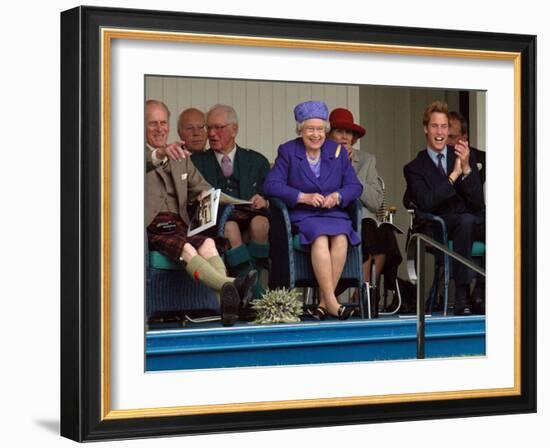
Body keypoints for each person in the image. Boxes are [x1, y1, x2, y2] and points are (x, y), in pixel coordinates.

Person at [263, 100, 363, 320]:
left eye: (320, 129)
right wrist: (303, 197)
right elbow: (271, 185)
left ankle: (324, 303)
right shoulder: (288, 151)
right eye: (310, 129)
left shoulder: (336, 151)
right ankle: (333, 303)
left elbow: (355, 186)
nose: (316, 135)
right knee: (319, 238)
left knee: (341, 238)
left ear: (326, 130)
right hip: (305, 215)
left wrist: (338, 196)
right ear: (300, 130)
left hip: (333, 213)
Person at [403, 101, 485, 315]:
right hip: (439, 226)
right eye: (434, 126)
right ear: (425, 129)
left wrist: (466, 168)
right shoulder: (414, 168)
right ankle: (462, 295)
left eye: (444, 127)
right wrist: (453, 176)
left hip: (471, 222)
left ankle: (484, 292)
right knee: (465, 222)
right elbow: (427, 202)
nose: (440, 132)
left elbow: (477, 202)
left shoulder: (462, 156)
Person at [191, 104, 271, 299]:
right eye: (208, 128)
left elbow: (272, 192)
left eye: (218, 127)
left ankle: (252, 280)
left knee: (261, 224)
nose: (211, 133)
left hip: (252, 214)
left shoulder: (256, 160)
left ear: (234, 129)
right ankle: (255, 293)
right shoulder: (196, 161)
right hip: (219, 220)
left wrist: (265, 200)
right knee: (231, 228)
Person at [328, 108, 402, 312]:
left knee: (382, 232)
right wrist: (338, 165)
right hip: (336, 218)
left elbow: (376, 202)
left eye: (349, 132)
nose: (344, 137)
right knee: (367, 229)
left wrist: (351, 171)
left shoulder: (367, 160)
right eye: (339, 131)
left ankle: (364, 292)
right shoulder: (322, 157)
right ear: (329, 134)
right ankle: (363, 294)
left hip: (365, 219)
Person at [145, 100, 188, 172]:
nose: (159, 129)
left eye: (163, 123)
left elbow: (200, 183)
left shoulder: (181, 155)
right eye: (153, 124)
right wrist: (159, 153)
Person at [448, 111, 486, 185]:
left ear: (464, 138)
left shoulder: (482, 159)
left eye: (452, 137)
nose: (446, 141)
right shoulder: (433, 160)